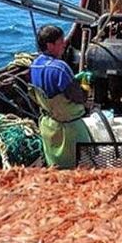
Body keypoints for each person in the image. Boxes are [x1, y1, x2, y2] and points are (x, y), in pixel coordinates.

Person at [29, 24, 91, 169]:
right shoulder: (60, 67)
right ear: (49, 45)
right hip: (69, 131)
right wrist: (85, 84)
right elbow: (80, 97)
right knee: (80, 169)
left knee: (56, 168)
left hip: (49, 127)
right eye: (60, 42)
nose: (64, 44)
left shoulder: (35, 65)